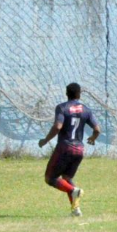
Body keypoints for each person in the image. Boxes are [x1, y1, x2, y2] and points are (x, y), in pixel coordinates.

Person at [39, 82, 101, 217]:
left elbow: (57, 126)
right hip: (79, 150)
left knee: (50, 178)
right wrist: (92, 138)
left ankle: (74, 190)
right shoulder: (86, 110)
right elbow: (97, 130)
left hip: (65, 148)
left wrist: (45, 140)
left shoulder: (62, 108)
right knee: (66, 178)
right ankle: (76, 210)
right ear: (79, 94)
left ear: (66, 94)